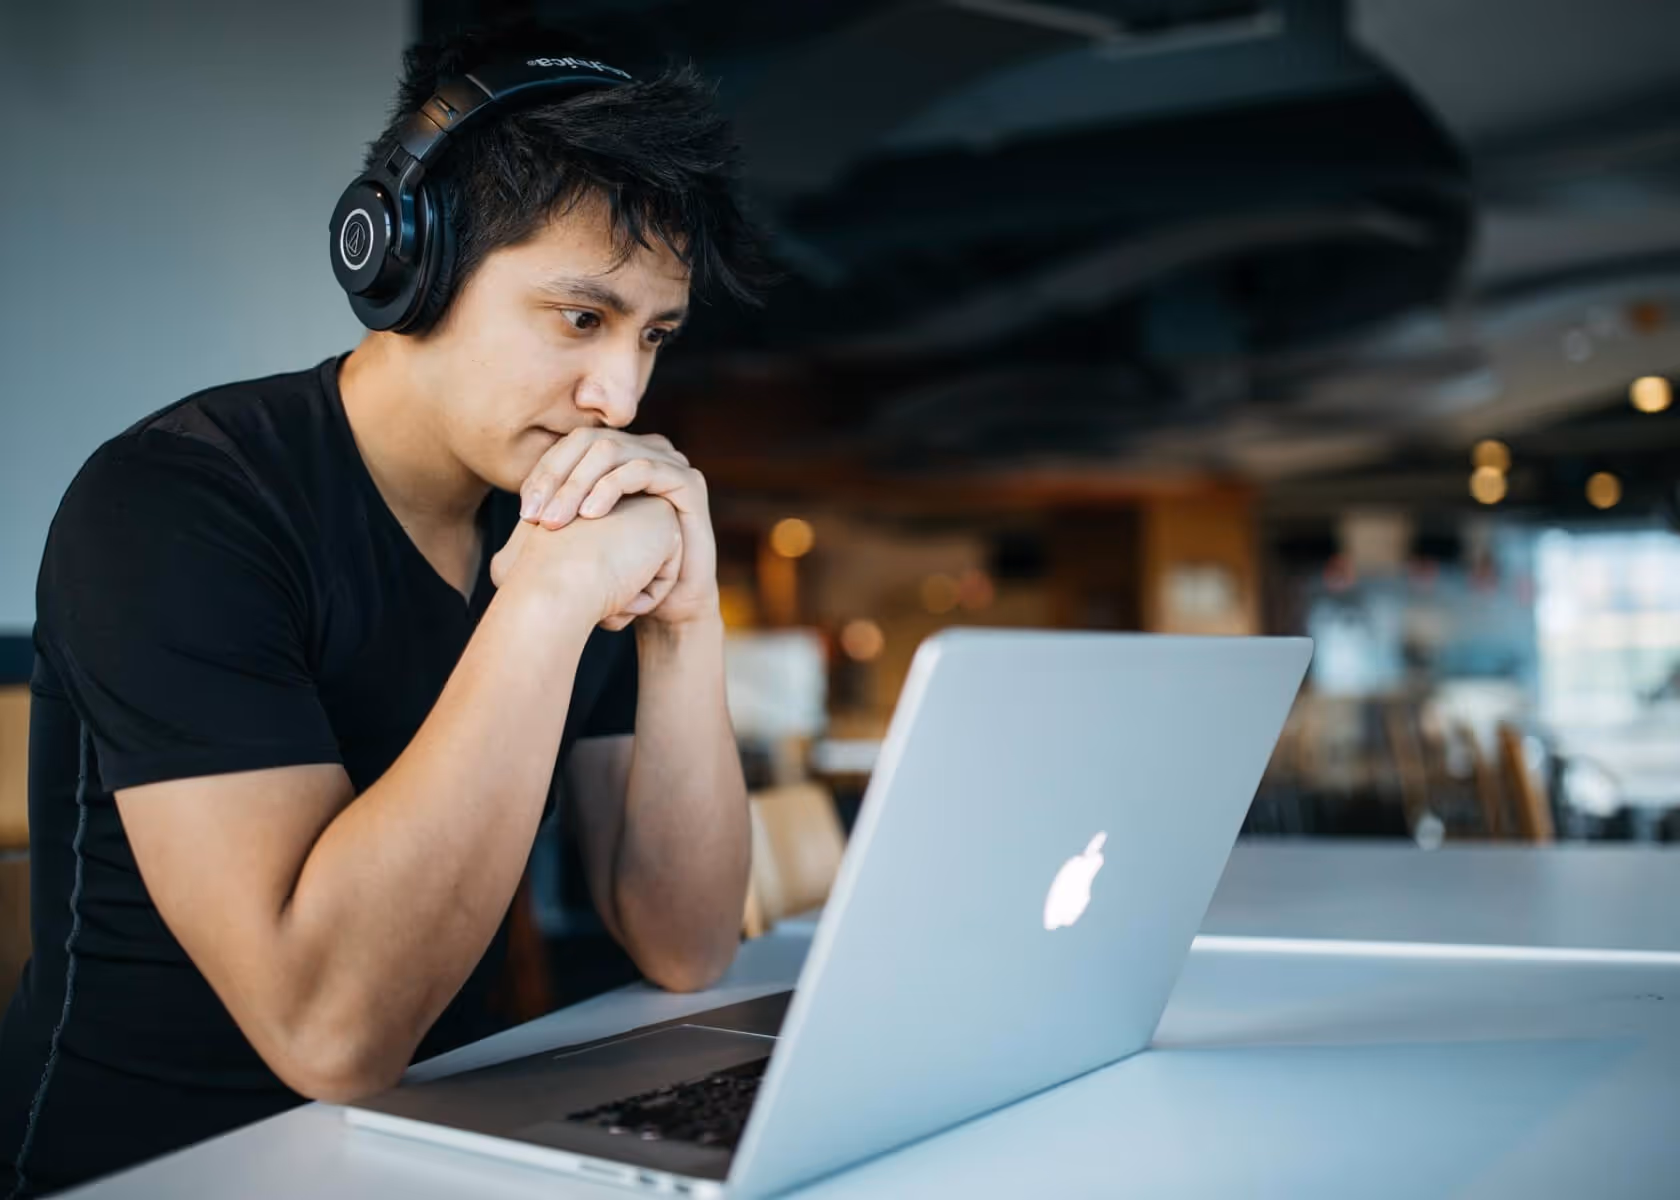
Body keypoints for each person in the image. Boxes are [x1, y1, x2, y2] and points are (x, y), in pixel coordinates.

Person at [0, 24, 767, 1196]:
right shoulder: (176, 505)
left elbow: (686, 940)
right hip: (159, 1164)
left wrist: (684, 621)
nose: (617, 396)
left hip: (431, 1146)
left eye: (653, 336)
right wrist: (550, 601)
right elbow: (328, 1035)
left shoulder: (552, 504)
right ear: (410, 264)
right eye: (579, 318)